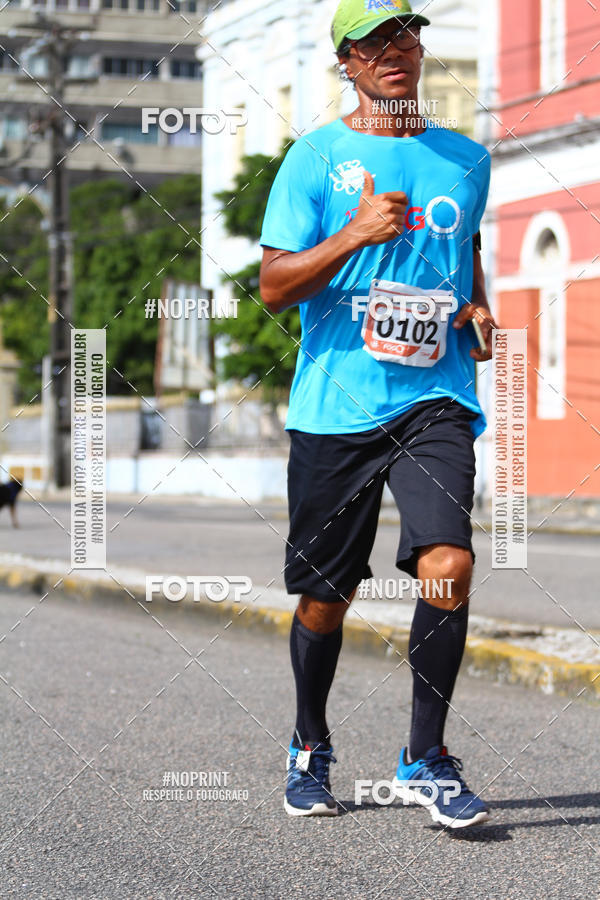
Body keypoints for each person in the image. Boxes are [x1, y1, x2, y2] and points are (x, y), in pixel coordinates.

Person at [258, 0, 497, 829]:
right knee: (327, 596)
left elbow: (463, 249)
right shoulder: (315, 158)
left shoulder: (466, 158)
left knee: (450, 566)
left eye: (406, 36)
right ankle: (309, 745)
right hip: (336, 405)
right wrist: (354, 235)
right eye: (374, 43)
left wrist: (476, 305)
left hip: (436, 396)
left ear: (421, 50)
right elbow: (274, 286)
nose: (395, 51)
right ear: (349, 66)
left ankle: (424, 759)